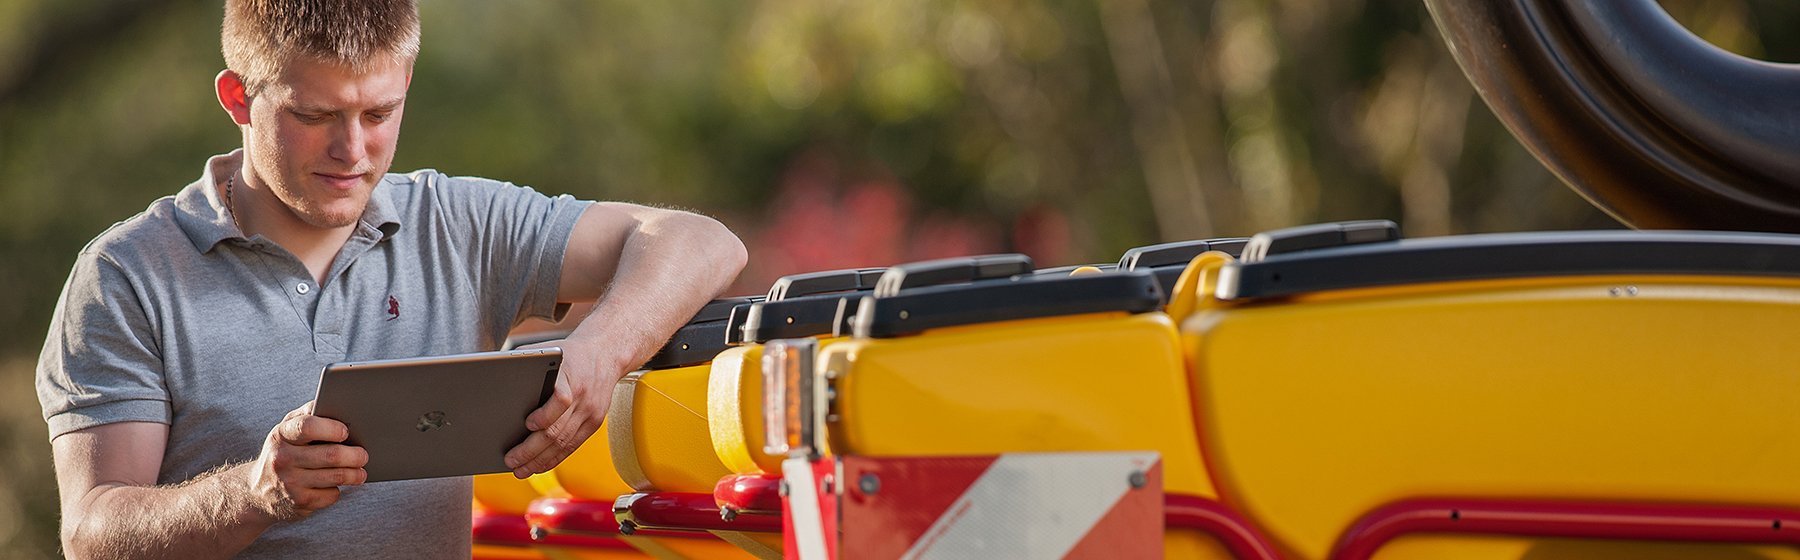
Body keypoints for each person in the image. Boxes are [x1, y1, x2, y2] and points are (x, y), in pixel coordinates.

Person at [33, 0, 748, 557]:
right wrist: (255, 495)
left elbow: (700, 242)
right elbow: (93, 533)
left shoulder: (459, 223)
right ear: (237, 98)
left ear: (406, 81)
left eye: (378, 113)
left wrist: (599, 353)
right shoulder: (126, 275)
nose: (352, 150)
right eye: (314, 116)